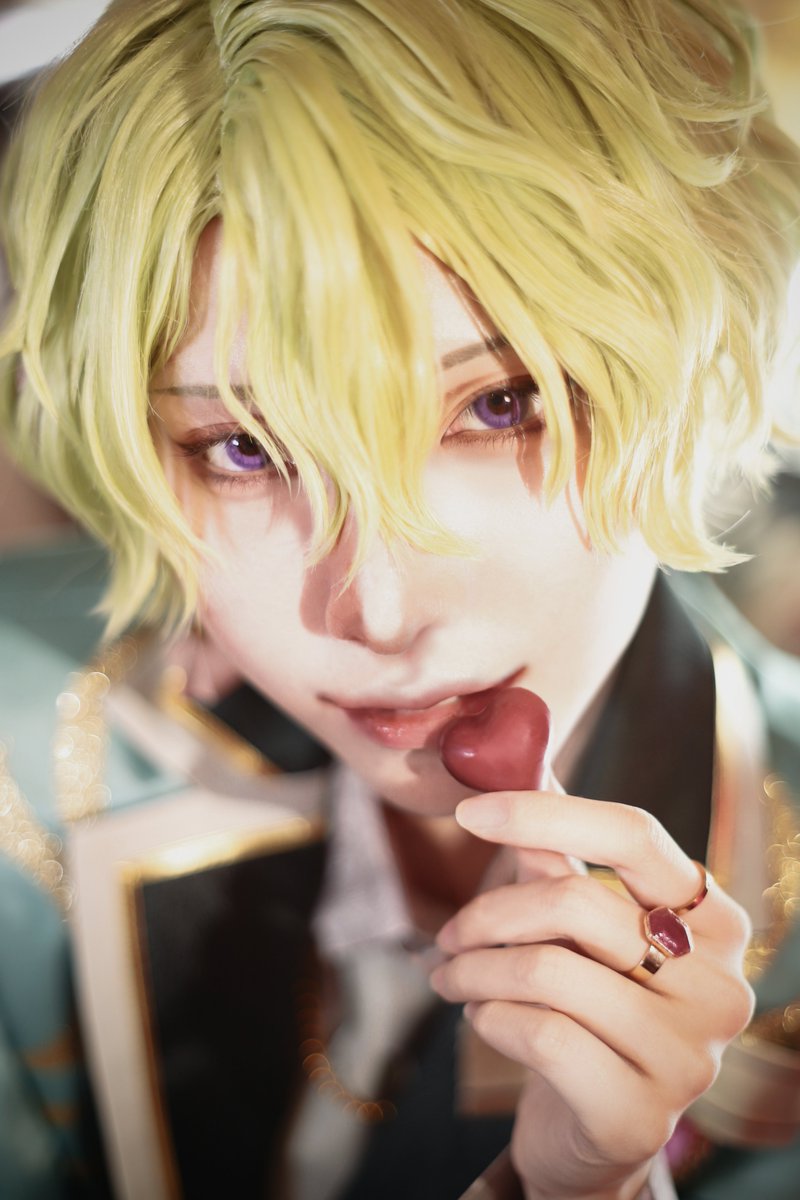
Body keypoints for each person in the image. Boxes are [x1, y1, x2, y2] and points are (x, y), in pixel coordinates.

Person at [0, 1, 799, 1197]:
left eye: (495, 406)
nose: (374, 612)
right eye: (241, 450)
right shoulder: (19, 764)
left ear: (684, 362)